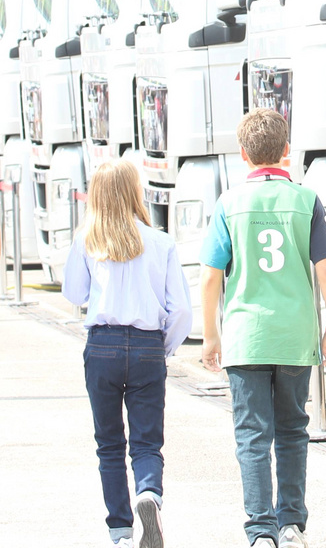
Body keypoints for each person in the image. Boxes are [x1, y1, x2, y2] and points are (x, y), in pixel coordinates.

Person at [199, 109, 326, 548]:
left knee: (252, 434)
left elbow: (210, 276)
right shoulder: (306, 200)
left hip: (245, 337)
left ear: (243, 155)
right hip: (295, 336)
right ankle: (291, 523)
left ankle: (259, 530)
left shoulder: (229, 203)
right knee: (293, 430)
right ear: (286, 152)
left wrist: (211, 335)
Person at [63, 158, 193, 548]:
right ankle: (149, 493)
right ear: (136, 191)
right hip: (147, 345)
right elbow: (182, 309)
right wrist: (163, 347)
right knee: (147, 442)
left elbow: (74, 294)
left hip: (102, 344)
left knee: (108, 443)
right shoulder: (161, 241)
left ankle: (120, 531)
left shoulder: (87, 238)